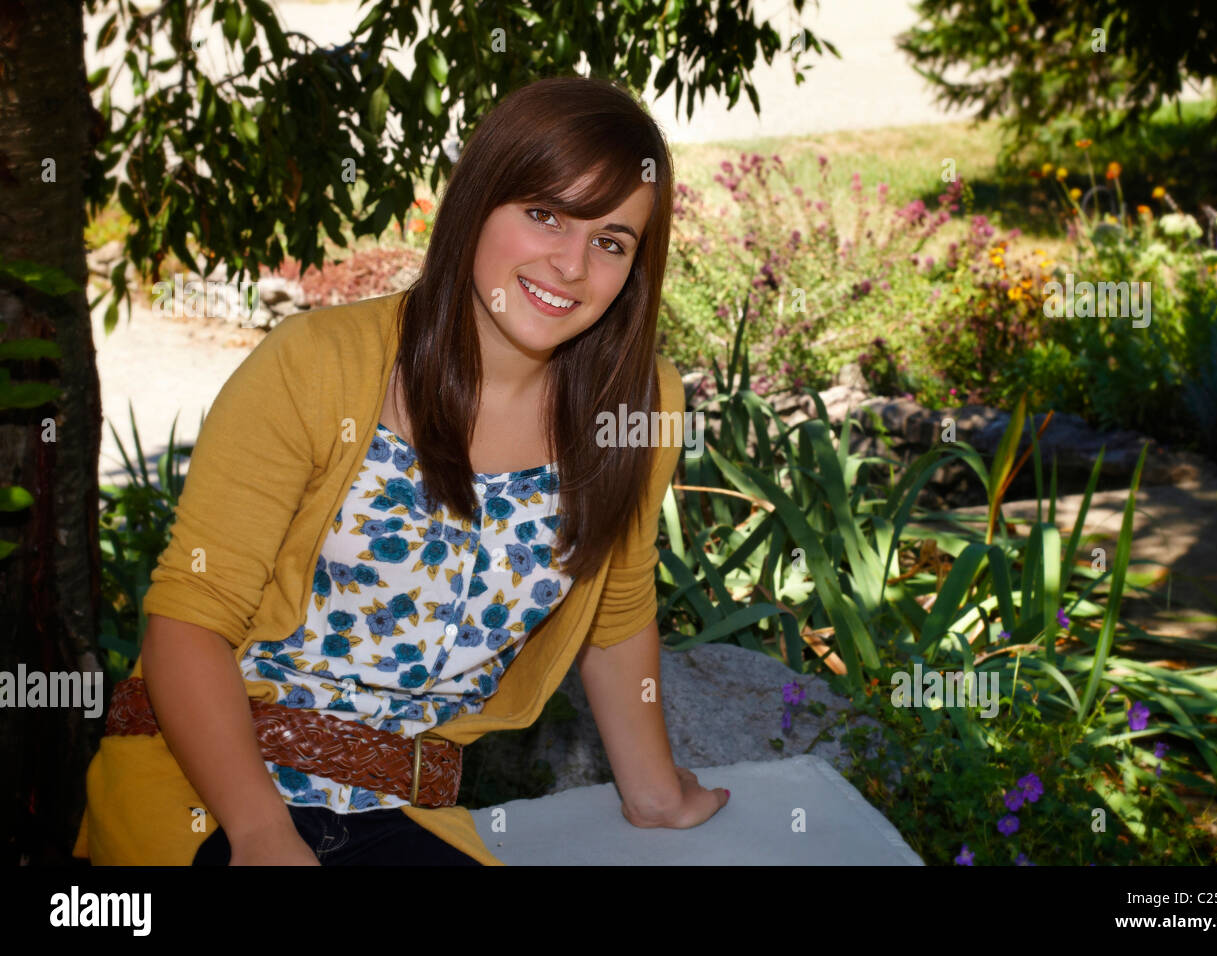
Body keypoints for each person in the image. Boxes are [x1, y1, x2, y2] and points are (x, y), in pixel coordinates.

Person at [74, 75, 729, 866]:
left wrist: (656, 795)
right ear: (476, 201)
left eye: (611, 241)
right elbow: (188, 619)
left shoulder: (636, 403)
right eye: (544, 214)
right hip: (208, 787)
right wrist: (260, 836)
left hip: (399, 813)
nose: (569, 264)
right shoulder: (318, 363)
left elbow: (616, 612)